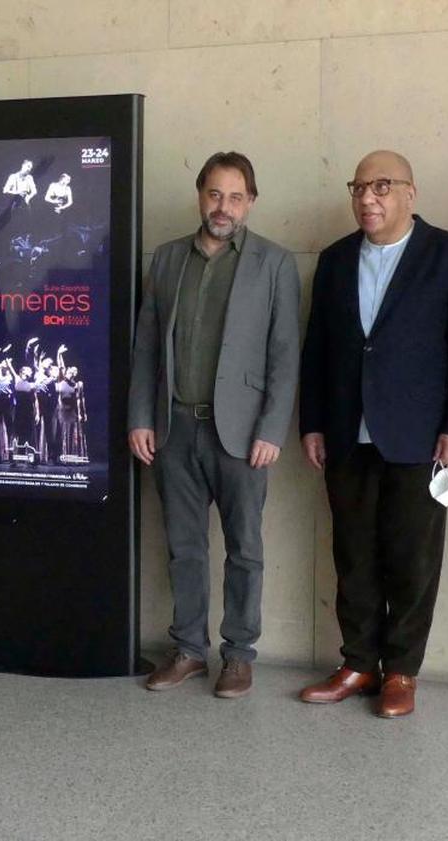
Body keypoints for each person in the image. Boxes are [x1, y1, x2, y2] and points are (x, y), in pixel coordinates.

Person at [296, 151, 448, 717]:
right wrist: (311, 422)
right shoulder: (334, 260)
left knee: (413, 556)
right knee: (353, 554)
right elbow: (317, 353)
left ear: (411, 193)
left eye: (382, 186)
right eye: (358, 187)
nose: (367, 198)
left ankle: (401, 670)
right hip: (344, 435)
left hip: (421, 438)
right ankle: (358, 662)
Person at [128, 151, 300, 699]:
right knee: (184, 546)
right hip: (174, 428)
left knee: (245, 547)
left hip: (244, 435)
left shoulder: (273, 263)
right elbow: (147, 344)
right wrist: (140, 417)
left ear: (250, 202)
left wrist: (272, 429)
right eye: (214, 194)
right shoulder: (168, 259)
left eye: (235, 197)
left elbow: (284, 352)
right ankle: (187, 650)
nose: (223, 207)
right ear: (200, 195)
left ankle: (239, 655)